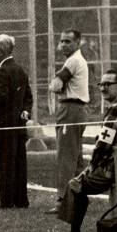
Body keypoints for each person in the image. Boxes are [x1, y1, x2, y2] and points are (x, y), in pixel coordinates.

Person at [54, 68, 117, 232]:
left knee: (74, 185)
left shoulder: (115, 110)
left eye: (108, 84)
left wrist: (91, 168)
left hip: (114, 169)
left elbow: (103, 145)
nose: (103, 88)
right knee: (78, 183)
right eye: (101, 84)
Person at [0, 34, 33, 209]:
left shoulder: (3, 71)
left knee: (3, 165)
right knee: (18, 165)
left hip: (3, 127)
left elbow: (0, 98)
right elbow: (28, 96)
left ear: (1, 51)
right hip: (18, 126)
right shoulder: (19, 69)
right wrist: (25, 111)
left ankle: (7, 202)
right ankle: (21, 200)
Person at [47, 29, 89, 214]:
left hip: (70, 109)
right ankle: (81, 196)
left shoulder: (73, 60)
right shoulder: (75, 60)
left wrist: (56, 85)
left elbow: (54, 86)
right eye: (62, 41)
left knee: (65, 156)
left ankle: (62, 200)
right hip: (76, 110)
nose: (63, 44)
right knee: (77, 158)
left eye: (68, 41)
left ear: (78, 42)